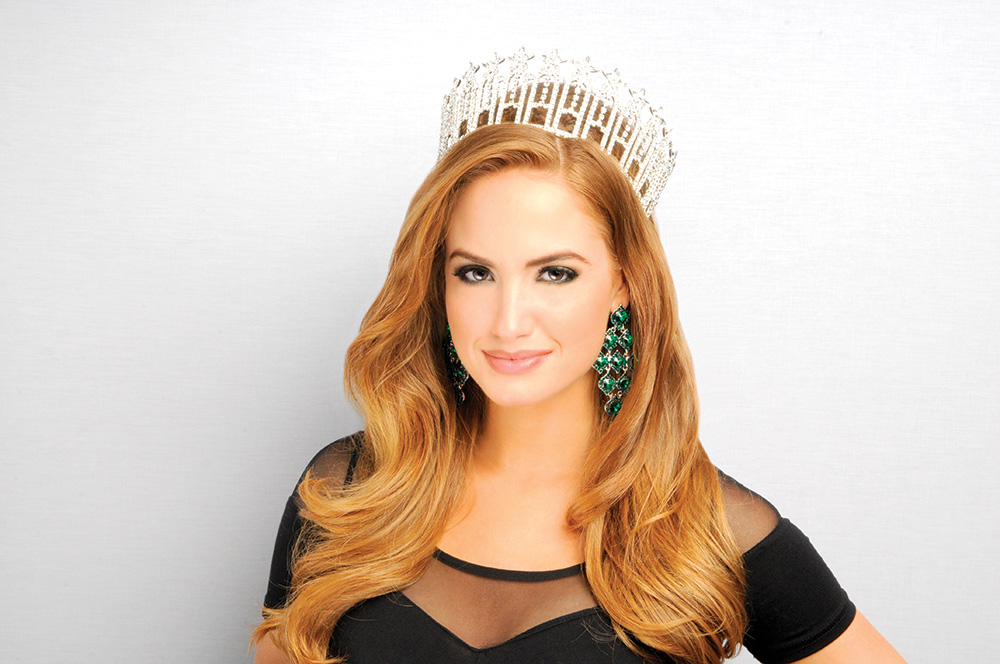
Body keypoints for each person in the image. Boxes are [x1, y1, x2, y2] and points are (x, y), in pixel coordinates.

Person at [251, 51, 906, 664]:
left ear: (624, 282)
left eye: (556, 274)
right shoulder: (347, 491)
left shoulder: (708, 527)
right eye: (476, 273)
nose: (508, 322)